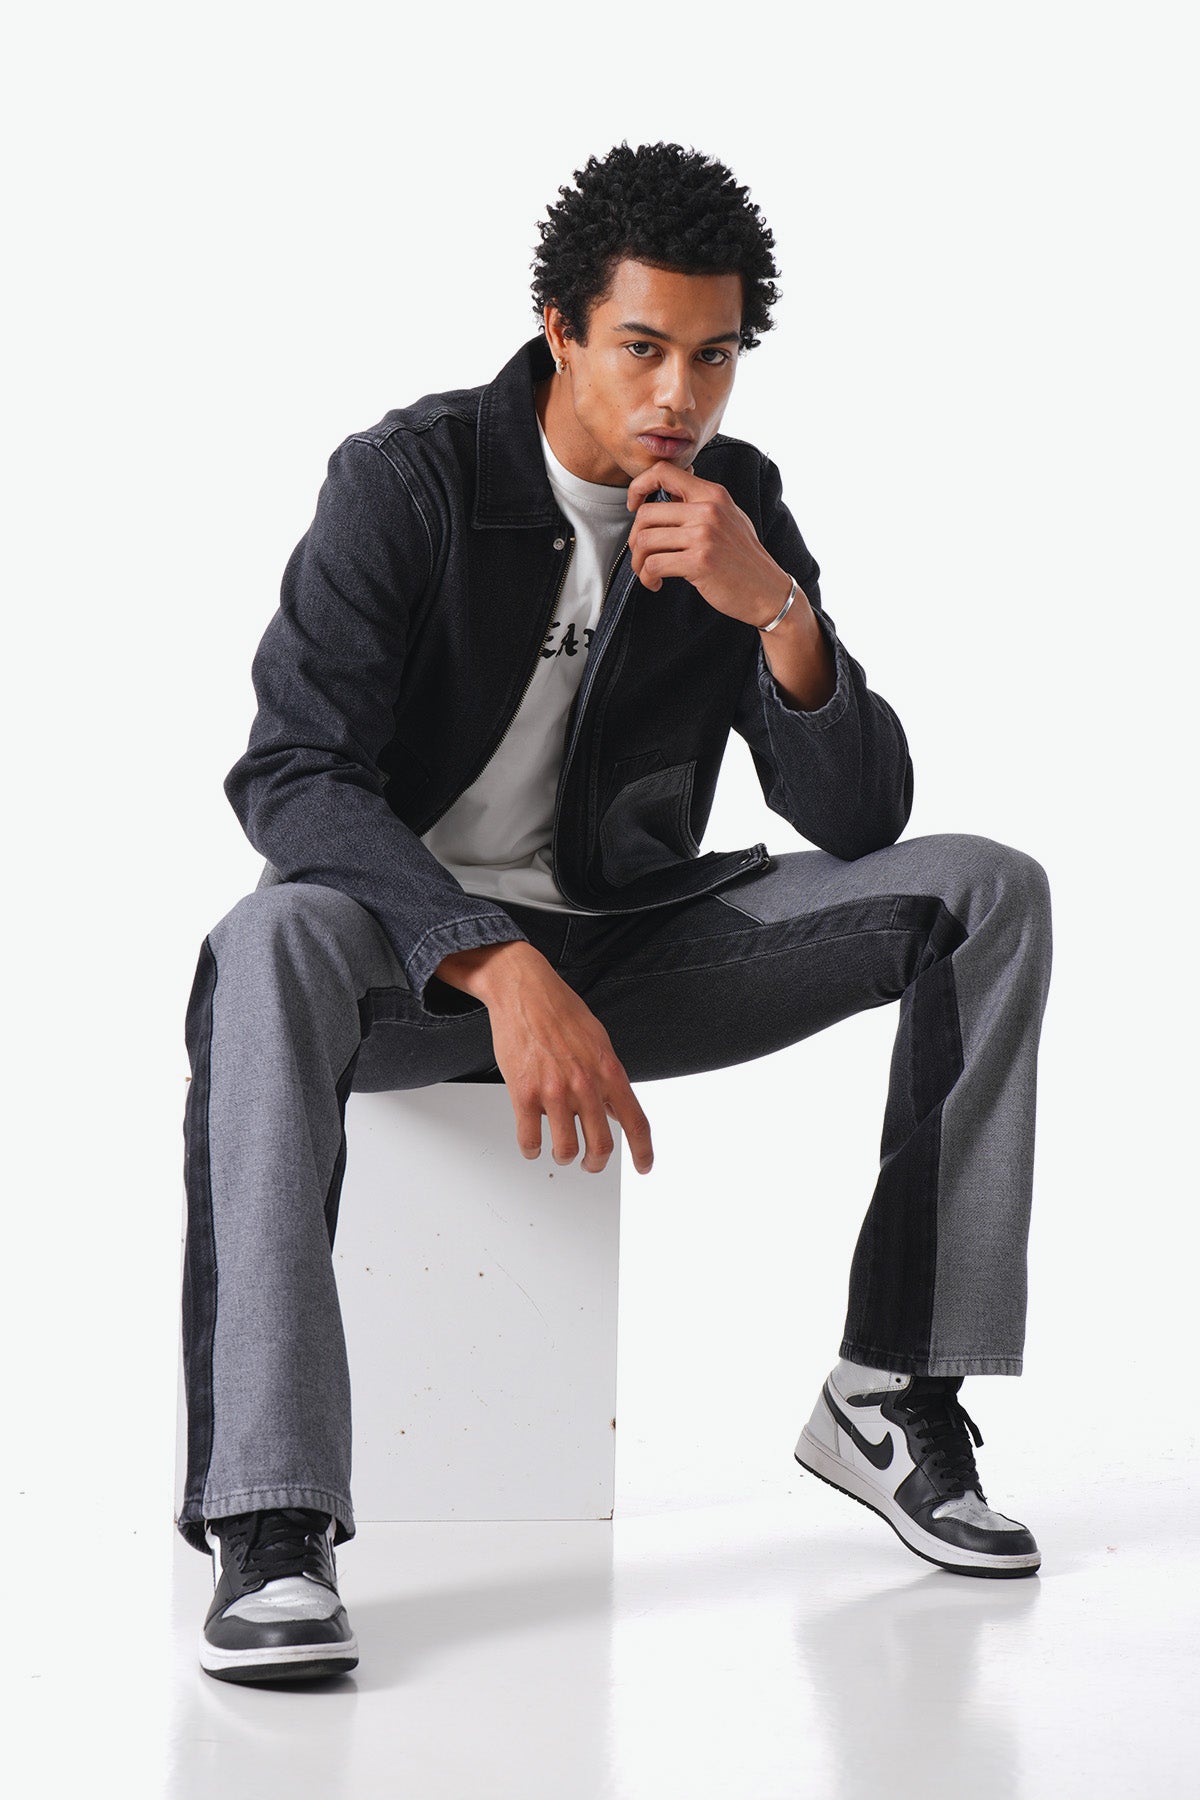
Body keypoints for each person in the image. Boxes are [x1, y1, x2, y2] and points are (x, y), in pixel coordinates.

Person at [179, 141, 1053, 1685]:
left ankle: (890, 1390)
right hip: (403, 966)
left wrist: (774, 609)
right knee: (263, 942)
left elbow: (860, 816)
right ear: (560, 327)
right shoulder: (410, 481)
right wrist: (487, 955)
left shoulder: (732, 504)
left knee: (988, 891)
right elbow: (293, 774)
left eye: (712, 356)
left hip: (630, 951)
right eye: (643, 347)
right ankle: (272, 1518)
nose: (678, 395)